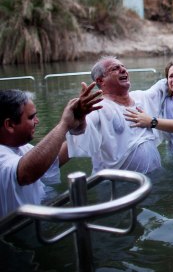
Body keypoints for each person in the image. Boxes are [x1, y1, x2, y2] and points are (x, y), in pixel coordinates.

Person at [0, 84, 102, 217]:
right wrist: (64, 125)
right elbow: (27, 173)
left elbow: (51, 158)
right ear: (10, 125)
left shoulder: (18, 146)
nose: (37, 121)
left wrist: (75, 128)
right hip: (15, 233)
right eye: (31, 117)